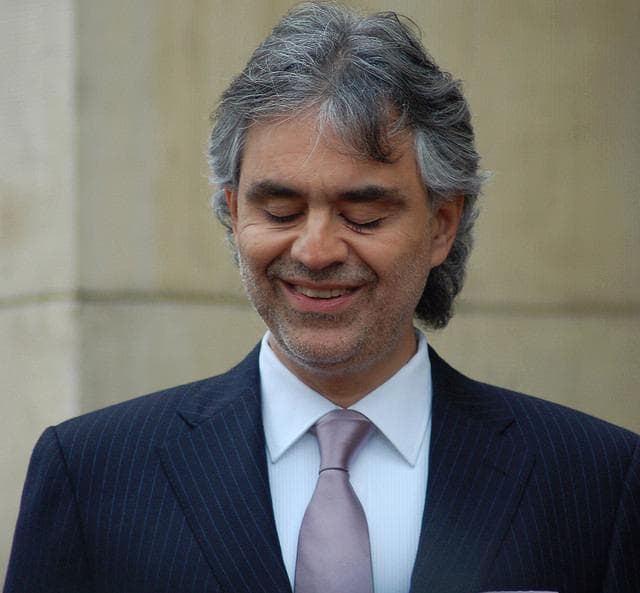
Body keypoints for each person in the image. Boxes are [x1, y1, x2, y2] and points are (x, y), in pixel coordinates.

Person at [4, 3, 639, 593]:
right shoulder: (92, 474)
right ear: (232, 211)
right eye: (279, 211)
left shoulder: (596, 481)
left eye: (363, 215)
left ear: (441, 224)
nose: (315, 251)